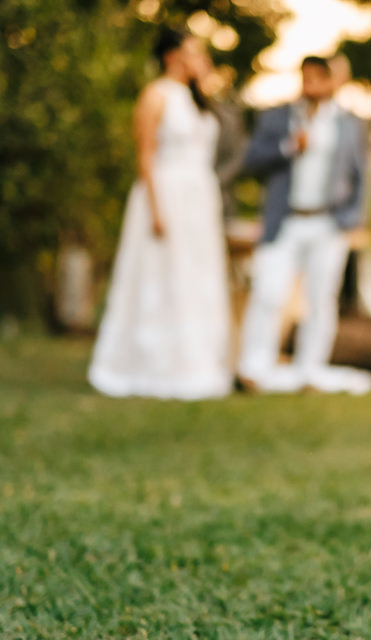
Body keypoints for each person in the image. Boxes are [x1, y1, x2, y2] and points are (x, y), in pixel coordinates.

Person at [88, 29, 232, 400]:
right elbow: (146, 156)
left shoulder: (196, 99)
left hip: (199, 201)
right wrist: (156, 210)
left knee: (196, 281)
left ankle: (197, 364)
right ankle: (150, 365)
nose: (199, 59)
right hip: (166, 196)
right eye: (192, 52)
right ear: (171, 56)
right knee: (163, 279)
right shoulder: (155, 96)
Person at [237, 54, 371, 395]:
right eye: (305, 78)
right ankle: (255, 369)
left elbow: (361, 176)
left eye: (317, 79)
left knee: (320, 298)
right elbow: (250, 159)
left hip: (328, 223)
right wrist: (287, 147)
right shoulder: (278, 118)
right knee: (268, 292)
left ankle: (310, 370)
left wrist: (352, 219)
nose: (310, 86)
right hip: (285, 221)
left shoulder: (349, 124)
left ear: (331, 82)